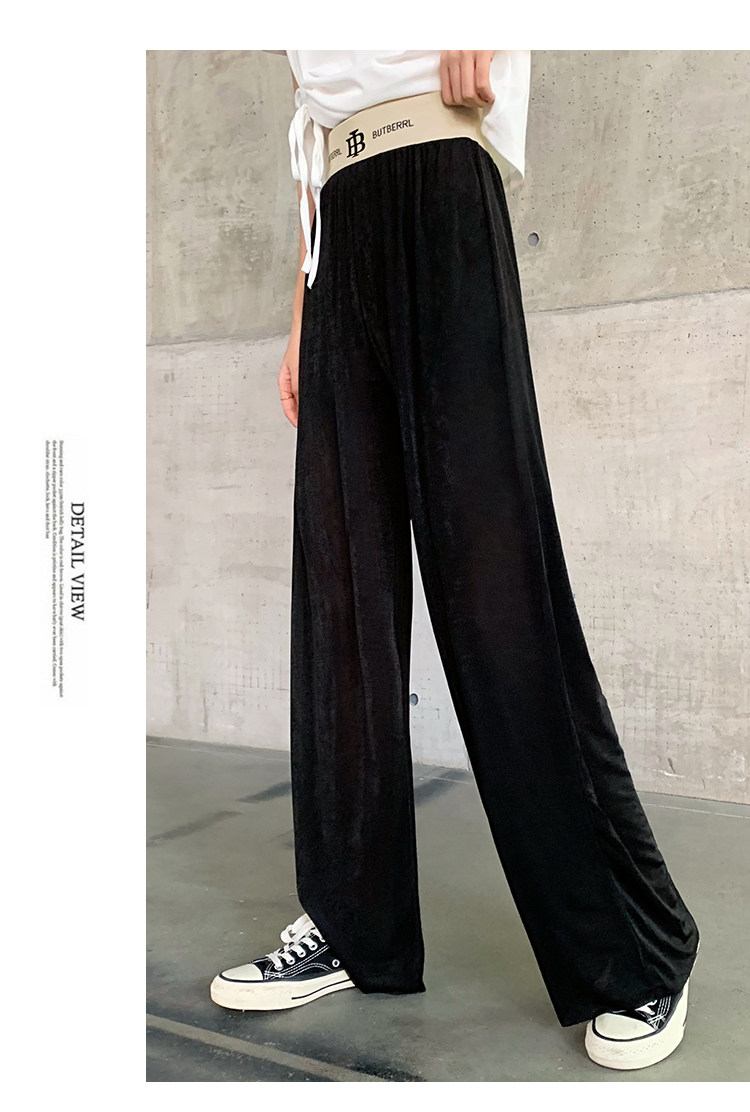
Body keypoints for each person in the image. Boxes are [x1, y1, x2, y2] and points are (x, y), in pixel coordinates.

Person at [210, 49, 701, 1072]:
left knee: (498, 592)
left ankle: (636, 946)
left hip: (438, 179)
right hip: (338, 233)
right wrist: (301, 314)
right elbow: (309, 130)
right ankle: (351, 921)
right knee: (341, 598)